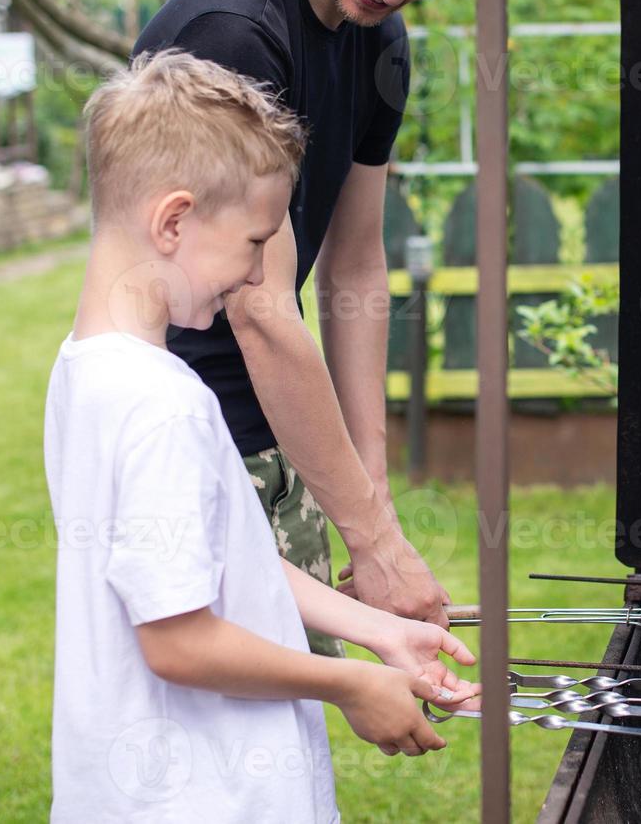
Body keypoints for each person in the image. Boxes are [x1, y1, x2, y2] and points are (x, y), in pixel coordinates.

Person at [44, 50, 479, 822]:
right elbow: (177, 641)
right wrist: (351, 683)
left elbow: (221, 565)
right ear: (173, 221)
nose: (255, 276)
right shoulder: (162, 407)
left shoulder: (86, 371)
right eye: (254, 243)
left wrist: (380, 632)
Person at [132, 0, 476, 648]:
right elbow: (258, 308)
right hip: (194, 435)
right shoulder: (236, 35)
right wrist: (375, 544)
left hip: (283, 431)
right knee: (227, 723)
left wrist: (372, 495)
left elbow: (356, 263)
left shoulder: (381, 41)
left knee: (284, 735)